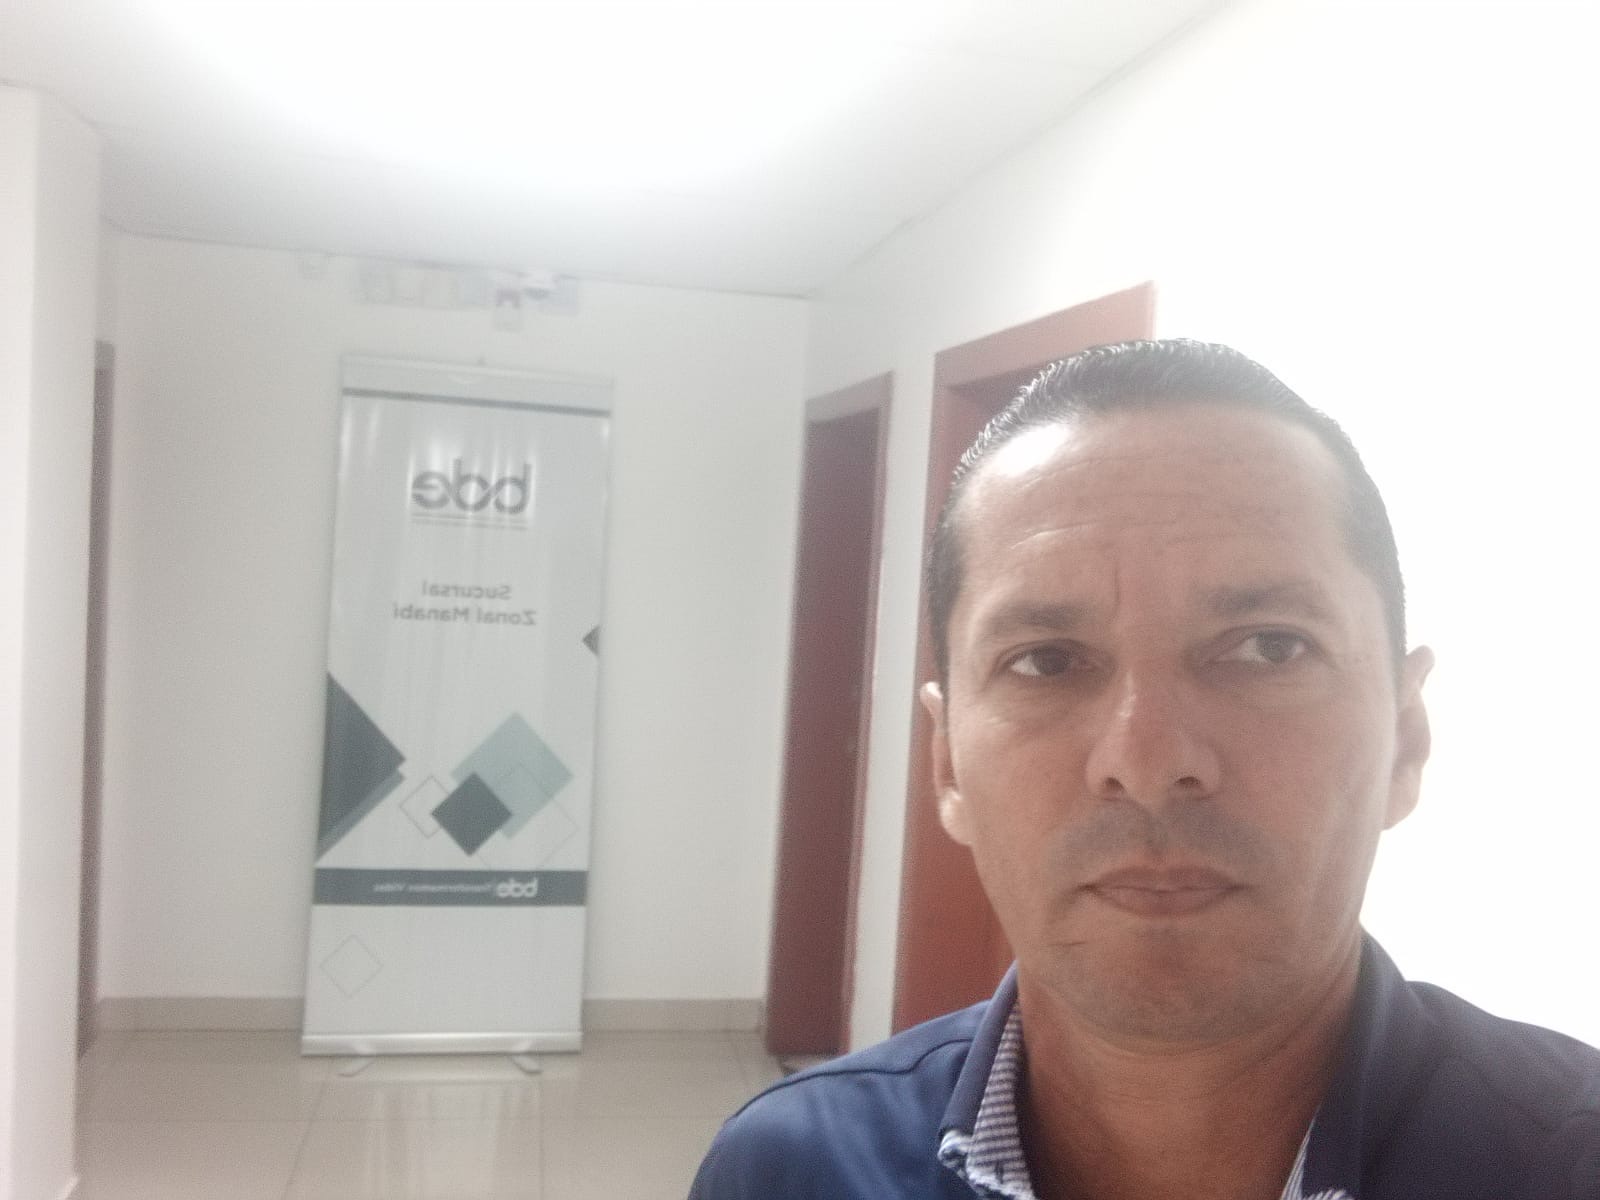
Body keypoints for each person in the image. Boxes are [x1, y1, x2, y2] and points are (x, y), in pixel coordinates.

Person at [689, 339, 1600, 1200]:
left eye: (1270, 647)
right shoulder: (789, 1168)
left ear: (1404, 738)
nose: (1149, 762)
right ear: (947, 763)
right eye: (1046, 661)